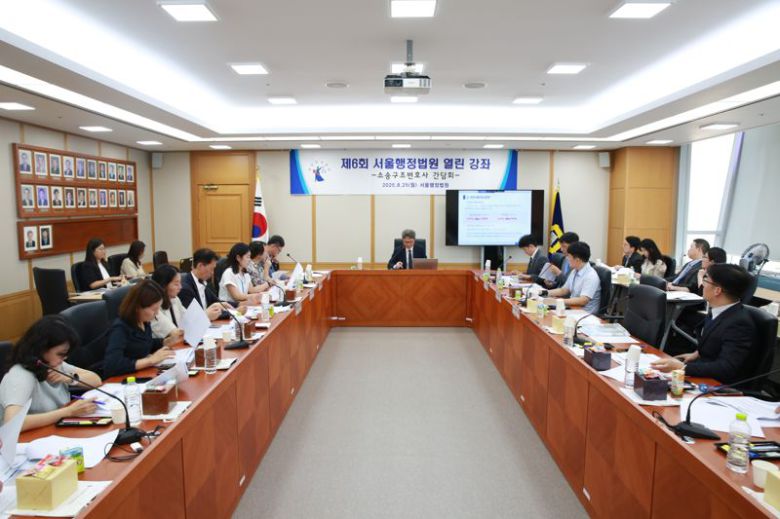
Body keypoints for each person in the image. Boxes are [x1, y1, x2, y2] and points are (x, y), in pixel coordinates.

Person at [651, 264, 760, 385]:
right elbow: (716, 341)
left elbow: (726, 368)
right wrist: (696, 354)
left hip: (718, 385)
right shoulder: (719, 309)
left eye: (706, 280)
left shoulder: (739, 324)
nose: (702, 284)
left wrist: (682, 367)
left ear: (717, 290)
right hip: (704, 369)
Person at [0, 316, 101, 431]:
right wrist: (68, 412)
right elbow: (12, 422)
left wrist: (69, 378)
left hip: (51, 430)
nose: (63, 359)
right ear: (41, 348)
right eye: (60, 354)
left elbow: (96, 380)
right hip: (23, 439)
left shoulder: (54, 365)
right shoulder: (21, 375)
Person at [103, 280, 177, 378]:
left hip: (139, 374)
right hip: (120, 380)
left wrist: (164, 342)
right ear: (137, 307)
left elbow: (144, 344)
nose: (157, 313)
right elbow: (112, 365)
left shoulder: (144, 321)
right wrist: (150, 361)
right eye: (154, 309)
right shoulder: (120, 328)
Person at [545, 241, 601, 313]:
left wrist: (557, 301)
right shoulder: (575, 271)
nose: (567, 259)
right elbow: (564, 290)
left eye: (569, 257)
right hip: (572, 308)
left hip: (584, 314)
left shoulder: (591, 276)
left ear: (577, 260)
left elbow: (583, 300)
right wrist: (544, 293)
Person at [179, 248, 229, 321]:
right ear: (200, 266)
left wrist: (238, 305)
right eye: (211, 269)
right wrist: (234, 312)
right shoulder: (185, 289)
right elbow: (193, 318)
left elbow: (217, 302)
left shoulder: (205, 283)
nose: (212, 273)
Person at [151, 264, 185, 341]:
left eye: (180, 283)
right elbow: (173, 332)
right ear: (163, 285)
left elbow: (188, 318)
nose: (180, 287)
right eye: (176, 284)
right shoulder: (153, 306)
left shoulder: (175, 299)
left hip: (178, 342)